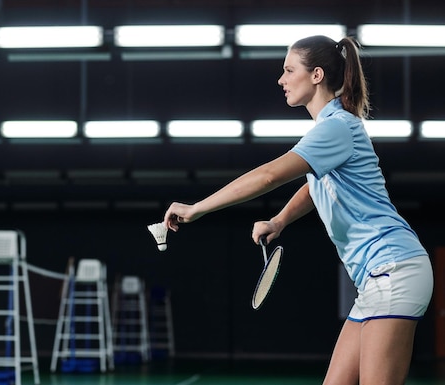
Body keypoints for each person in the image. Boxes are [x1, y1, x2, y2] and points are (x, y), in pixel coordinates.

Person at [162, 35, 433, 385]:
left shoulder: (336, 127)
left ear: (316, 75)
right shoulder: (329, 129)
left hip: (394, 269)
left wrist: (198, 208)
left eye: (289, 70)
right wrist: (280, 220)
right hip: (373, 280)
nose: (281, 79)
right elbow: (314, 185)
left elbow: (268, 176)